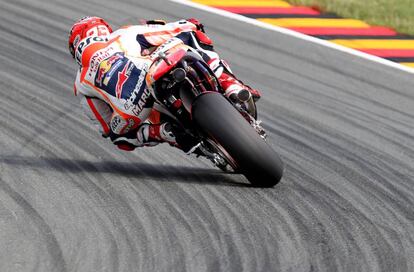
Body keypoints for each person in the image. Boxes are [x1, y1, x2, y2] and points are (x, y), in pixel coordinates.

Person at [68, 16, 260, 152]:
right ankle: (232, 86)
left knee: (119, 137)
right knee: (193, 36)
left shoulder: (80, 83)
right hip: (149, 73)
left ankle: (165, 133)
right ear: (103, 29)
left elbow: (108, 129)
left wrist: (130, 121)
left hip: (133, 111)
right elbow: (176, 29)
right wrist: (192, 24)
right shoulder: (123, 33)